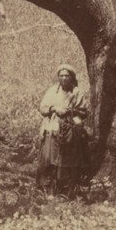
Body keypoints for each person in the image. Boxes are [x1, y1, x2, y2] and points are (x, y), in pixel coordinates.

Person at [36, 64, 88, 195]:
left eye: (67, 75)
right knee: (49, 157)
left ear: (71, 77)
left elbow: (83, 111)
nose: (64, 78)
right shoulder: (52, 91)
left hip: (70, 130)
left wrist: (69, 111)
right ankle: (46, 187)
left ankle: (66, 188)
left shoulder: (77, 92)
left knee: (68, 159)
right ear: (58, 77)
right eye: (61, 76)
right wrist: (53, 108)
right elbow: (43, 107)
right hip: (52, 128)